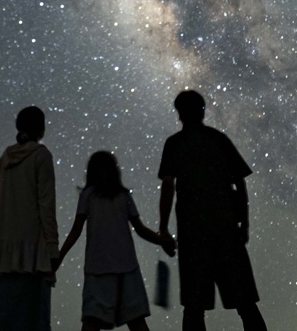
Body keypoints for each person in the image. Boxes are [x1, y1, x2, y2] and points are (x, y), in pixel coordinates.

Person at [157, 90, 268, 331]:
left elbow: (168, 186)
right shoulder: (218, 139)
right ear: (203, 110)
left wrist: (163, 229)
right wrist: (244, 225)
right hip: (226, 231)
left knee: (194, 308)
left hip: (193, 234)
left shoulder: (175, 144)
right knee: (245, 303)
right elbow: (240, 183)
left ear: (179, 114)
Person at [55, 151, 176, 331]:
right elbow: (140, 229)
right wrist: (162, 241)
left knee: (91, 321)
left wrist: (60, 256)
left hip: (98, 267)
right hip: (126, 267)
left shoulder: (88, 196)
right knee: (136, 321)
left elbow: (76, 231)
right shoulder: (123, 196)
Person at [0, 106, 59, 331]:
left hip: (0, 252)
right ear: (41, 129)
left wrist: (0, 230)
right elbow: (46, 205)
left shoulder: (5, 158)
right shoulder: (41, 156)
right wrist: (52, 248)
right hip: (30, 253)